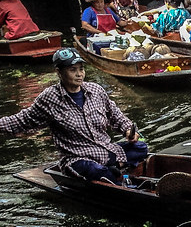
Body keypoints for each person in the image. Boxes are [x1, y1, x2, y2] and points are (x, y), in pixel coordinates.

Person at [0, 48, 146, 182]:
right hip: (77, 158)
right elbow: (22, 120)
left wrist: (128, 130)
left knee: (141, 147)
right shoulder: (50, 98)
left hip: (103, 151)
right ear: (59, 72)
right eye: (73, 70)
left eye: (81, 69)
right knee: (95, 170)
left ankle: (113, 168)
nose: (79, 74)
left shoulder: (96, 91)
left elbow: (115, 115)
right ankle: (116, 176)